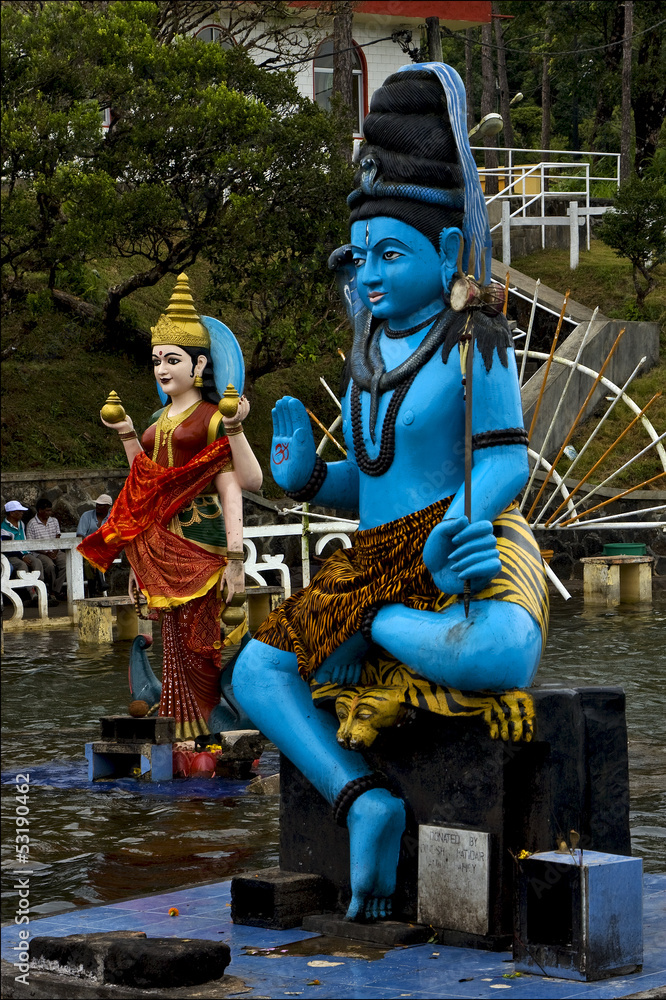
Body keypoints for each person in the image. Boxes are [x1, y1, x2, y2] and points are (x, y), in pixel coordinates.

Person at [230, 65, 548, 922]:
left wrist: (457, 525)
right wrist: (307, 477)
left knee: (496, 657)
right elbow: (367, 480)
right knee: (255, 670)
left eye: (391, 254)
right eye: (361, 256)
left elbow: (508, 462)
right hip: (373, 557)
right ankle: (362, 796)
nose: (369, 275)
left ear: (446, 256)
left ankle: (375, 629)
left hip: (452, 538)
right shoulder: (368, 358)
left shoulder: (475, 340)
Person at [79, 275, 262, 740]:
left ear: (199, 363)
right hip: (159, 543)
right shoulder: (157, 420)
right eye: (157, 359)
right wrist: (127, 433)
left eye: (173, 359)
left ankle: (206, 730)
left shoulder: (213, 417)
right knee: (172, 643)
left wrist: (236, 559)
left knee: (202, 643)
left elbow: (242, 485)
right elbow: (144, 485)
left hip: (203, 544)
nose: (162, 368)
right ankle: (178, 730)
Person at [1, 500, 47, 602]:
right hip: (11, 555)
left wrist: (24, 555)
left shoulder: (21, 523)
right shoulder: (3, 528)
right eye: (19, 511)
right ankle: (32, 593)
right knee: (22, 565)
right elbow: (8, 547)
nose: (22, 513)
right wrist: (22, 557)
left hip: (25, 552)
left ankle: (40, 589)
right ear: (12, 513)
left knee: (37, 562)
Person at [26, 498, 67, 600]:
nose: (49, 513)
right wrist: (46, 553)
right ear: (40, 510)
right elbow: (31, 544)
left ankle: (55, 591)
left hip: (55, 550)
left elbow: (57, 536)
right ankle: (51, 591)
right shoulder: (32, 524)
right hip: (39, 552)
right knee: (50, 566)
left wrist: (55, 551)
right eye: (47, 510)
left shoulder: (54, 521)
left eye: (50, 510)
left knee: (66, 562)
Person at [76, 494, 112, 596]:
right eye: (97, 504)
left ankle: (92, 589)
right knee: (90, 559)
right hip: (87, 547)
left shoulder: (112, 518)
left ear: (108, 506)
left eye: (101, 505)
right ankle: (99, 582)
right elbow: (80, 535)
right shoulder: (86, 516)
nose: (97, 506)